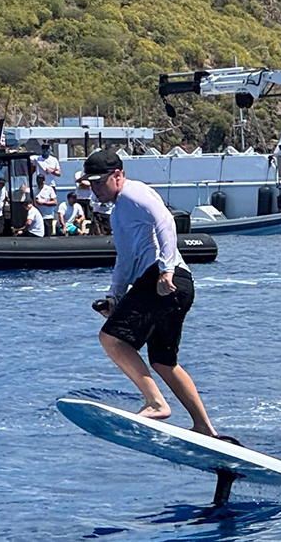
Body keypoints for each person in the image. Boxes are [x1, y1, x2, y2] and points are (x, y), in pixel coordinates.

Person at [82, 149, 218, 437]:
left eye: (99, 182)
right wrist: (114, 297)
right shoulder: (120, 211)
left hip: (163, 278)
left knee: (111, 339)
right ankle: (205, 427)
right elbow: (125, 259)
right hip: (179, 286)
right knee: (163, 362)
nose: (95, 189)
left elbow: (165, 222)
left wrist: (166, 269)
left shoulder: (133, 193)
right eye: (90, 184)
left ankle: (156, 403)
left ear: (117, 175)